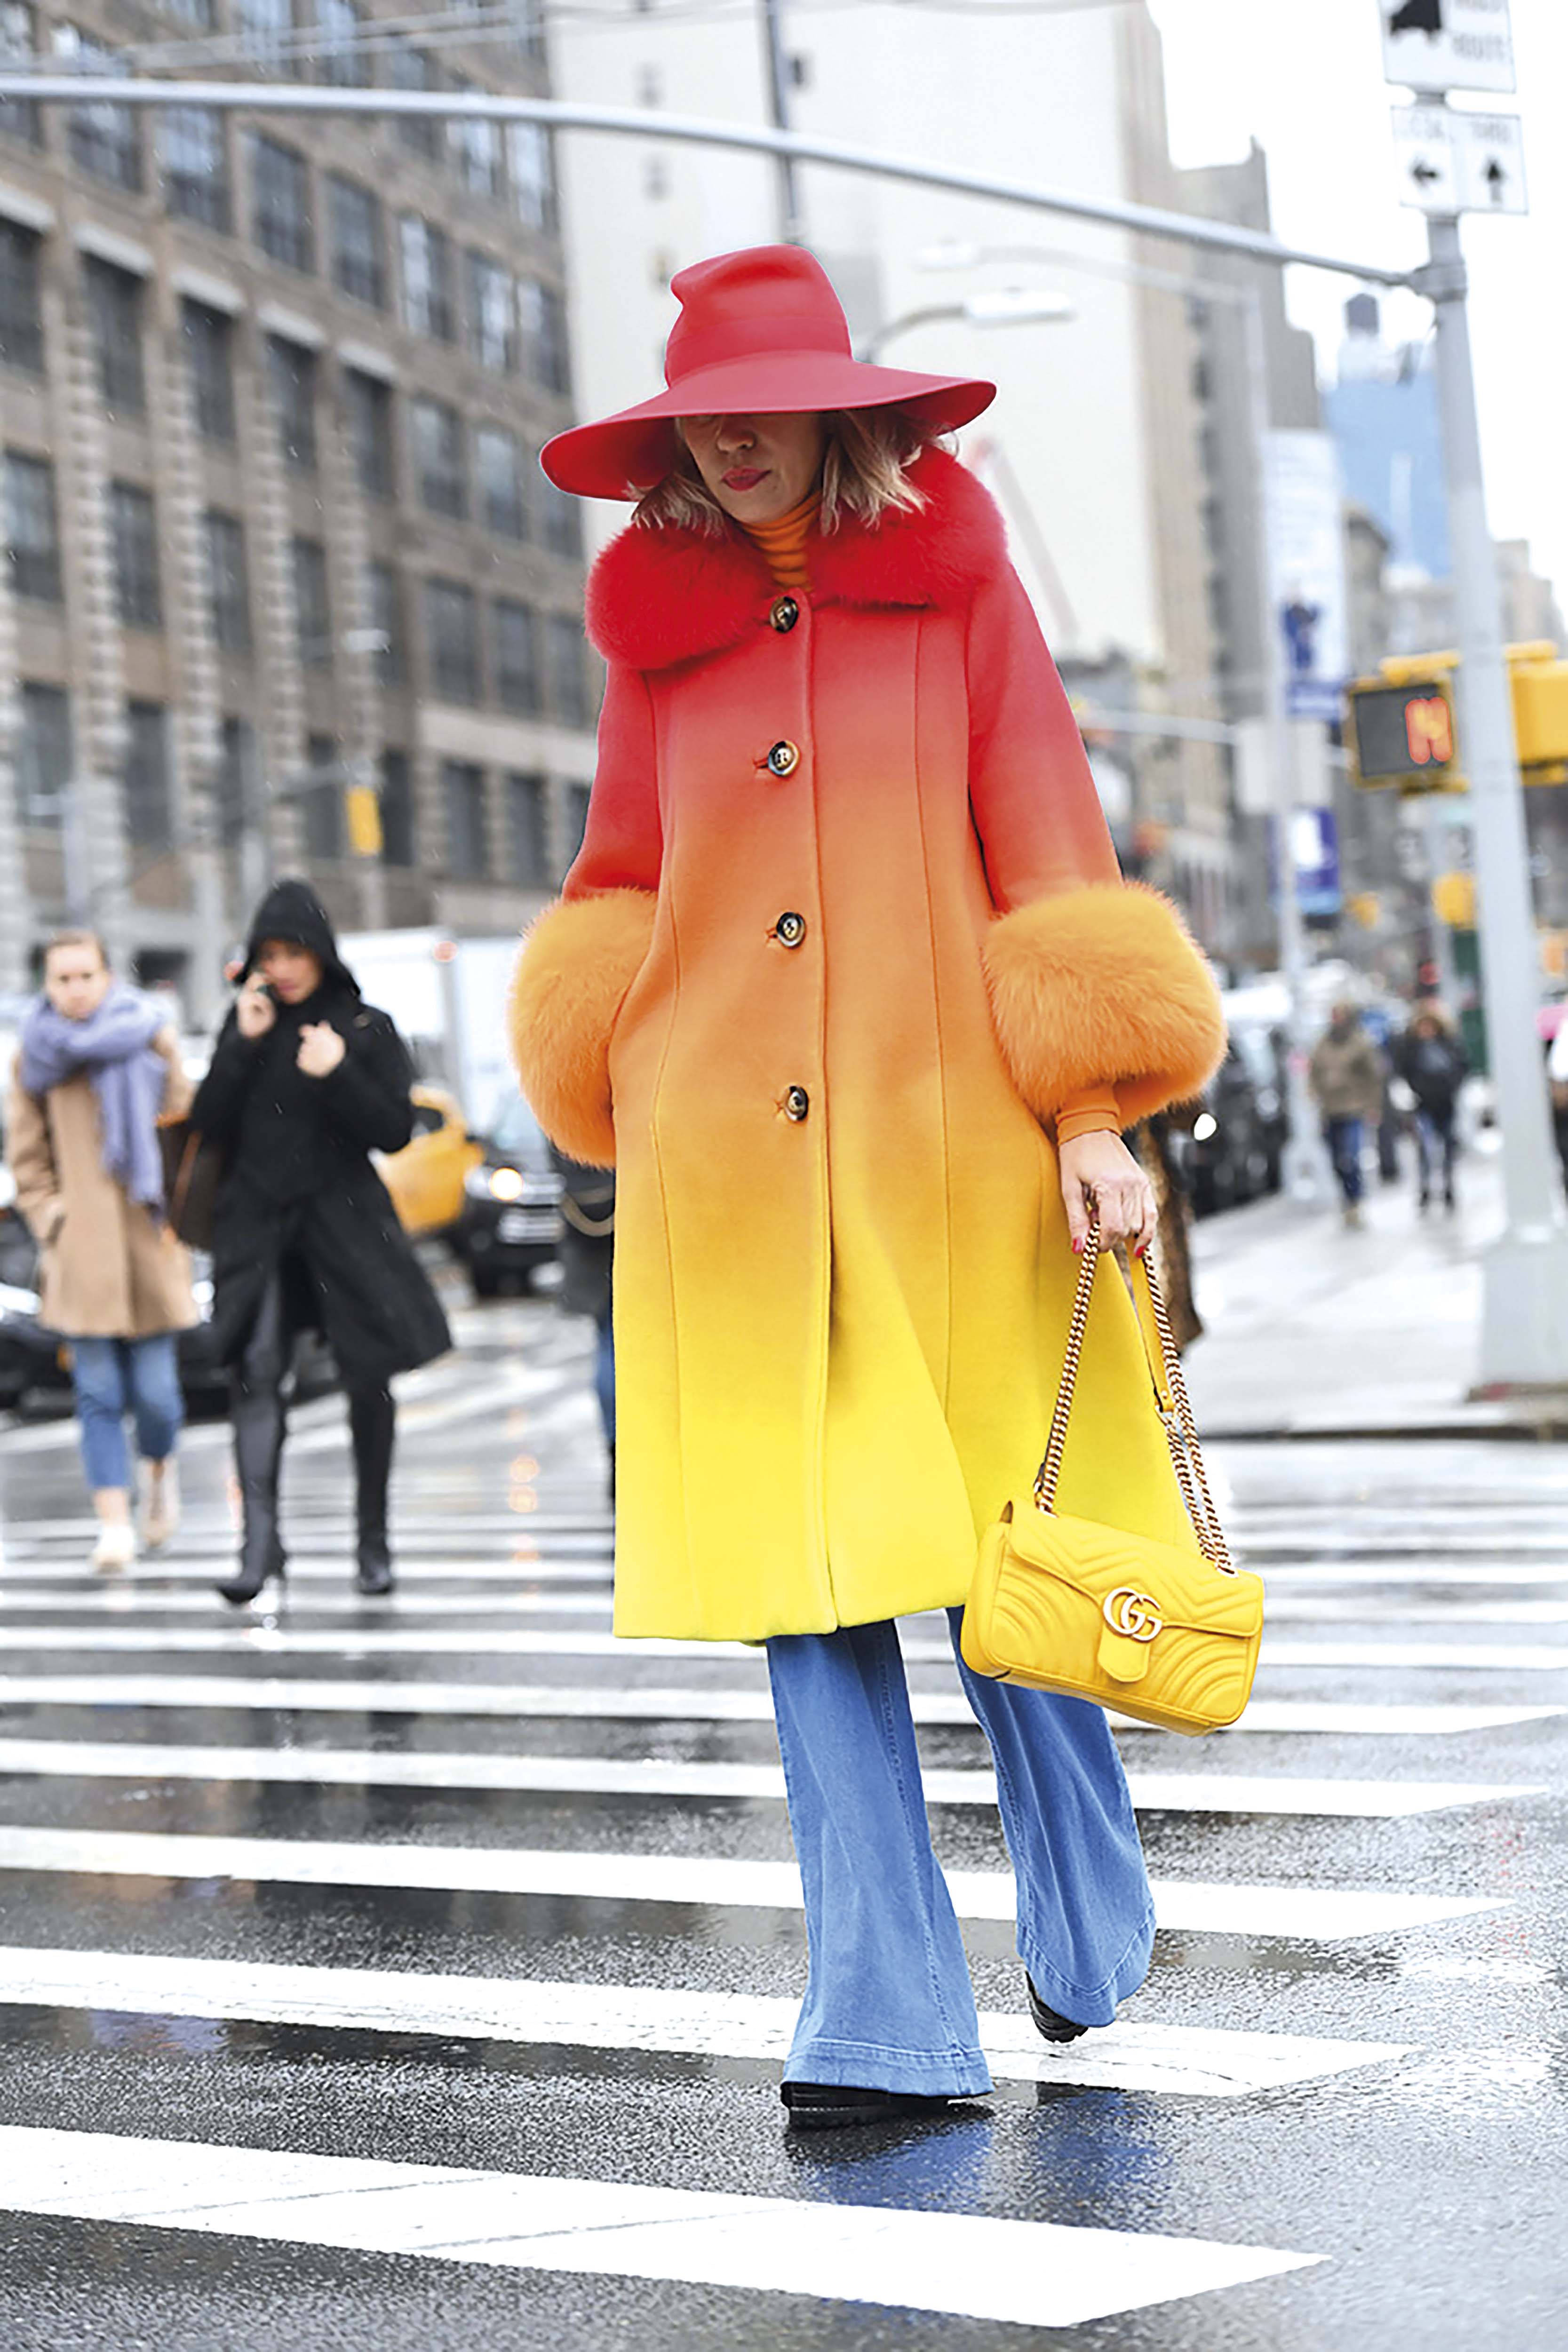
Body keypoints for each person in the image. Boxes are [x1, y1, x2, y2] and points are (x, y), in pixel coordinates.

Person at [510, 246, 1226, 2130]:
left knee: (1003, 1552)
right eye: (697, 420)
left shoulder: (959, 590)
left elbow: (1042, 832)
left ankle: (1085, 1899)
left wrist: (1087, 1104)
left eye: (760, 407)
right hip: (729, 1172)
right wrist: (606, 1061)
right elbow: (616, 873)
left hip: (953, 1149)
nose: (732, 442)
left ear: (842, 414)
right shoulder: (650, 639)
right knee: (803, 1587)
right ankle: (880, 2018)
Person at [190, 880, 451, 1603]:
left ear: (320, 953)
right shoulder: (247, 1023)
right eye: (269, 954)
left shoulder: (363, 1026)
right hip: (260, 1230)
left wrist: (337, 1073)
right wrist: (241, 1046)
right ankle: (260, 1545)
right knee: (257, 1370)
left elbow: (395, 1131)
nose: (282, 967)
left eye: (294, 951)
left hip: (343, 1229)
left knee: (368, 1380)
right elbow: (208, 1122)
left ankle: (373, 1541)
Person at [8, 930, 196, 1568]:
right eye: (62, 979)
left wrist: (177, 1212)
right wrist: (53, 1217)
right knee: (97, 1394)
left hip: (147, 1239)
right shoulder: (33, 1056)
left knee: (158, 1397)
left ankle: (159, 1476)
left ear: (107, 977)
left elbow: (184, 1131)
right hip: (80, 1249)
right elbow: (27, 1157)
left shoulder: (150, 1036)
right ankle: (113, 1524)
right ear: (48, 985)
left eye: (85, 976)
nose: (75, 990)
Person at [1308, 1001, 1384, 1228]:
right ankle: (1346, 1198)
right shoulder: (1323, 1043)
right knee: (1336, 1160)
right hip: (1330, 1110)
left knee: (1350, 1156)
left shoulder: (1360, 1042)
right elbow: (1314, 1071)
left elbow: (1373, 1076)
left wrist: (1373, 1105)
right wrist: (1313, 1090)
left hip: (1353, 1107)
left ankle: (1356, 1199)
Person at [1394, 1000, 1467, 1213]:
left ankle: (1448, 1186)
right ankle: (1426, 1188)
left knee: (1447, 1146)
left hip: (1445, 1103)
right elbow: (1403, 1070)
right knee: (1425, 1148)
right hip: (1423, 1105)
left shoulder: (1448, 1043)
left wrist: (1453, 1087)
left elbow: (1462, 1066)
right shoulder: (1410, 1047)